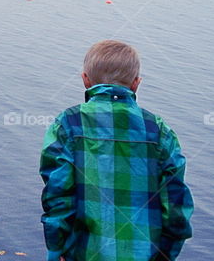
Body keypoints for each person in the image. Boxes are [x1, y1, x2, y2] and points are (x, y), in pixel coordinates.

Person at [40, 40, 193, 261]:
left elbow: (57, 197)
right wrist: (166, 254)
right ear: (136, 83)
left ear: (85, 80)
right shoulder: (159, 131)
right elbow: (176, 205)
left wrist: (58, 250)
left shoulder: (67, 125)